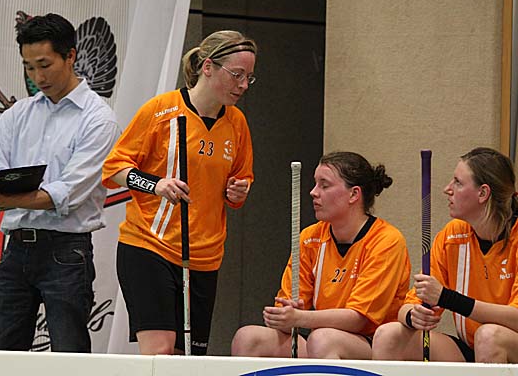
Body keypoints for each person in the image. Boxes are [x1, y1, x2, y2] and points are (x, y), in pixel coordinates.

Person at [0, 13, 119, 352]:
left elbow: (67, 194)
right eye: (29, 67)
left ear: (71, 56)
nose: (37, 77)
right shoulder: (17, 115)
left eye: (45, 65)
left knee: (69, 358)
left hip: (67, 250)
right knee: (2, 358)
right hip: (15, 247)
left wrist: (3, 200)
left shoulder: (98, 119)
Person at [102, 30, 256, 355]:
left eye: (249, 78)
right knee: (160, 350)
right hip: (150, 245)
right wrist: (155, 184)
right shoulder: (161, 110)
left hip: (205, 255)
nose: (243, 85)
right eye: (237, 75)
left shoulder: (237, 123)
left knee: (190, 358)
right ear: (208, 67)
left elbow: (239, 184)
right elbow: (114, 168)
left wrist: (237, 191)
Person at [231, 151, 411, 359]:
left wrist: (300, 317)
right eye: (315, 184)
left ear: (354, 194)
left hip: (372, 345)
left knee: (322, 339)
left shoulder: (386, 240)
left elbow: (358, 319)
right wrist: (284, 315)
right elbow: (289, 309)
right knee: (248, 338)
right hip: (320, 338)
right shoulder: (310, 237)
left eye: (324, 186)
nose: (313, 192)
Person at [372, 147, 518, 363]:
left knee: (489, 336)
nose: (447, 189)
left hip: (506, 345)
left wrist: (447, 298)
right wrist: (413, 316)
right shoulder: (453, 235)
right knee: (388, 335)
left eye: (458, 182)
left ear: (483, 193)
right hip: (472, 347)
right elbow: (408, 306)